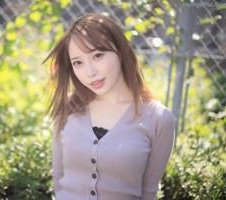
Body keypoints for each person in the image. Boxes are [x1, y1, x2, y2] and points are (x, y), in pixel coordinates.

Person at [44, 13, 175, 200]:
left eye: (98, 55)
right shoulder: (68, 106)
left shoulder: (158, 118)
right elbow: (58, 176)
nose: (90, 72)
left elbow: (148, 191)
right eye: (78, 62)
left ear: (120, 52)